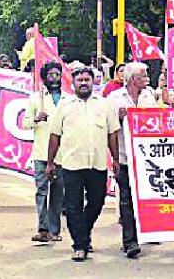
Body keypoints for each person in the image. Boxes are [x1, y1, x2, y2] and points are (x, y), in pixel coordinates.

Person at [46, 66, 120, 262]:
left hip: (97, 164)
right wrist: (50, 162)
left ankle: (83, 233)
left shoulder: (104, 105)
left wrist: (116, 159)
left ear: (93, 82)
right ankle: (80, 245)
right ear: (73, 83)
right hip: (71, 164)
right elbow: (54, 135)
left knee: (97, 202)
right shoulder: (64, 105)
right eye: (80, 80)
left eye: (87, 80)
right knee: (73, 206)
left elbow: (112, 133)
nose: (84, 83)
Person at [108, 62, 158, 258]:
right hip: (124, 156)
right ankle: (130, 242)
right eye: (143, 76)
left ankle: (144, 233)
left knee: (143, 199)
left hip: (146, 159)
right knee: (126, 199)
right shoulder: (114, 98)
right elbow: (109, 128)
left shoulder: (149, 97)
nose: (146, 79)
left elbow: (155, 123)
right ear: (132, 79)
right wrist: (120, 118)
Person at [23, 61, 68, 242]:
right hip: (41, 153)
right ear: (45, 78)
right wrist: (36, 119)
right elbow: (25, 123)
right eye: (51, 75)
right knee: (41, 191)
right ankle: (43, 228)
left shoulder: (68, 99)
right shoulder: (36, 99)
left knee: (58, 193)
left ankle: (54, 230)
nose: (55, 78)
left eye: (57, 75)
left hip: (63, 154)